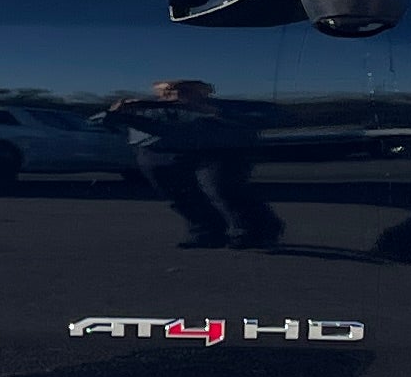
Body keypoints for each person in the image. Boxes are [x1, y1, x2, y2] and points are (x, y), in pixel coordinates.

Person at [102, 77, 280, 250]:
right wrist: (117, 112)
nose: (175, 94)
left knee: (221, 189)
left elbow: (265, 118)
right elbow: (105, 121)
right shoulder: (149, 108)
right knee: (180, 194)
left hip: (220, 150)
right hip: (163, 154)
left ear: (202, 91)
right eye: (167, 91)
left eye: (184, 90)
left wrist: (214, 112)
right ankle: (206, 232)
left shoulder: (224, 106)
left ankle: (256, 231)